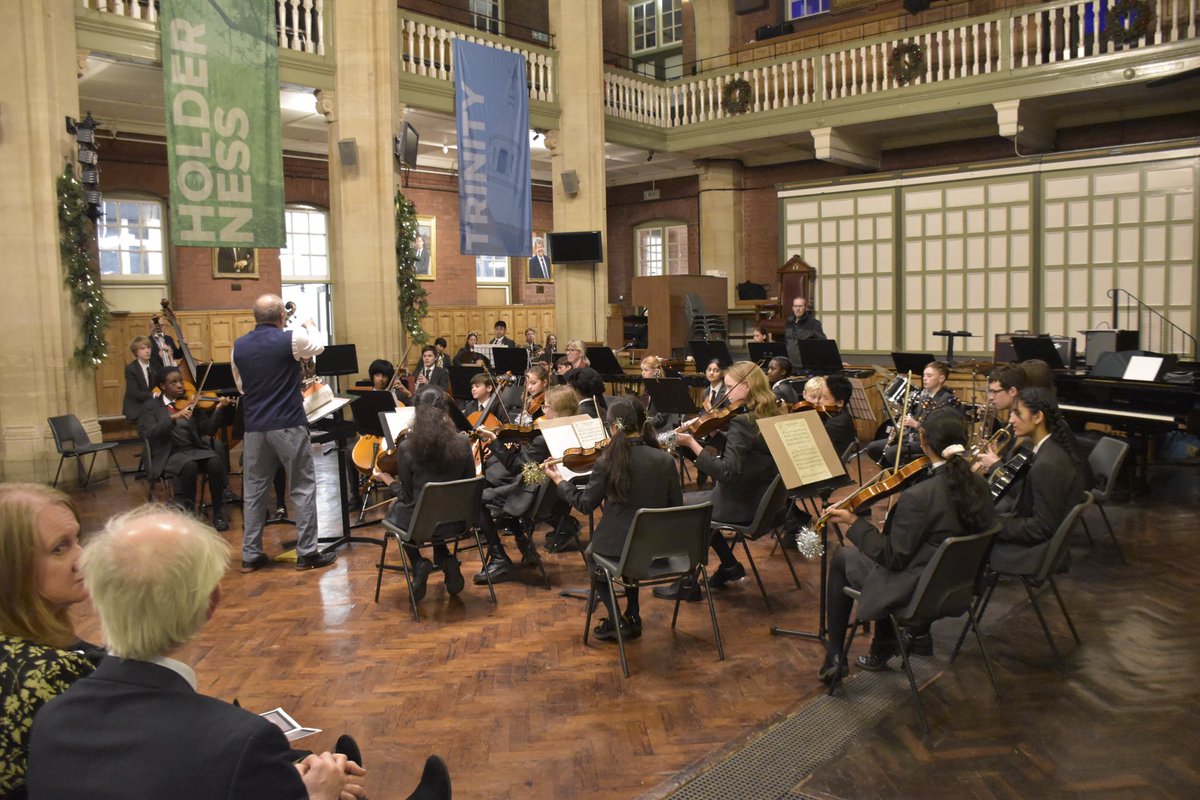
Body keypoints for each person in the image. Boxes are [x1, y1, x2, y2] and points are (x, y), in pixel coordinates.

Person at [25, 505, 367, 800]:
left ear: (98, 597)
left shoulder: (52, 720)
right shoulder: (240, 741)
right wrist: (319, 794)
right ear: (210, 604)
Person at [819, 408, 996, 681]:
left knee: (843, 557)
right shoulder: (978, 483)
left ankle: (835, 656)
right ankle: (888, 643)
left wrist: (853, 522)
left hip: (920, 592)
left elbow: (891, 557)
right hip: (956, 583)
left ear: (923, 440)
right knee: (896, 552)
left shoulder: (919, 496)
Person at [546, 399, 682, 641]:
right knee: (629, 545)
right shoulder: (665, 460)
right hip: (659, 547)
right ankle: (633, 614)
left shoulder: (608, 461)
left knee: (592, 554)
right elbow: (676, 507)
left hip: (622, 548)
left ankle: (616, 619)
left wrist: (560, 482)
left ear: (611, 427)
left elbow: (585, 504)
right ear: (643, 423)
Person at [654, 361, 783, 600]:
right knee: (694, 506)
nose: (727, 394)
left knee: (676, 503)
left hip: (738, 504)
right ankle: (729, 565)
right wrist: (713, 434)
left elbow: (727, 473)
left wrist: (691, 443)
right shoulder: (771, 414)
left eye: (731, 388)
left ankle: (687, 584)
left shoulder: (742, 423)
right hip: (762, 500)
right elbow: (747, 454)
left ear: (746, 386)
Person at [373, 389, 520, 590]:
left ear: (417, 411)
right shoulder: (461, 442)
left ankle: (419, 563)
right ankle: (446, 559)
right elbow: (470, 485)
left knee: (396, 509)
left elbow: (407, 497)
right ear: (446, 411)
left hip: (422, 525)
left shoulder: (407, 447)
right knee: (431, 508)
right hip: (458, 523)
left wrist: (387, 479)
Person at [0, 484, 94, 799]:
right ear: (13, 569)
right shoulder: (52, 673)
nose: (81, 558)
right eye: (59, 548)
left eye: (77, 540)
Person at [231, 294, 335, 573]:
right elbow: (319, 347)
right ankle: (307, 552)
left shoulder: (238, 346)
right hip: (287, 422)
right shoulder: (291, 338)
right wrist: (309, 325)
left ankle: (251, 555)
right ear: (280, 317)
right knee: (301, 487)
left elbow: (241, 387)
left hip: (254, 427)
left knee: (254, 491)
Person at [987, 387, 1087, 576]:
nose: (1011, 420)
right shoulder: (1048, 449)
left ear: (1037, 417)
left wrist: (994, 524)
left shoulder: (1048, 463)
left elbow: (1042, 527)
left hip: (1034, 553)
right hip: (1038, 542)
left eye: (1017, 414)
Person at [139, 367, 234, 531]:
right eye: (173, 382)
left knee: (215, 461)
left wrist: (218, 410)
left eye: (180, 381)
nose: (179, 385)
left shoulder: (192, 403)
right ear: (162, 386)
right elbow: (149, 432)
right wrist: (174, 417)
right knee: (189, 466)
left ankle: (218, 513)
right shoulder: (152, 406)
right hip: (170, 453)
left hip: (193, 449)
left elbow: (208, 431)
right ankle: (189, 514)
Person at [863, 361, 957, 467]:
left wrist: (916, 425)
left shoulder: (947, 400)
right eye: (924, 375)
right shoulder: (924, 394)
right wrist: (902, 428)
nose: (924, 378)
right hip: (914, 437)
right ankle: (893, 476)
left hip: (930, 442)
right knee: (873, 448)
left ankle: (906, 478)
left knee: (891, 453)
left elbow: (940, 430)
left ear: (941, 379)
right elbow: (916, 417)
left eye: (929, 376)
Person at [972, 363, 1026, 477]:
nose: (990, 397)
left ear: (1012, 391)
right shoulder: (1012, 420)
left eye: (994, 392)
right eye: (989, 392)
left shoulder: (1024, 426)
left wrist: (994, 463)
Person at [123, 336, 156, 423]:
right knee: (153, 419)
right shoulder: (131, 368)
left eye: (149, 347)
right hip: (137, 406)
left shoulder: (155, 365)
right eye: (143, 348)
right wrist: (154, 395)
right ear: (136, 352)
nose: (147, 351)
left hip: (152, 404)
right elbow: (134, 393)